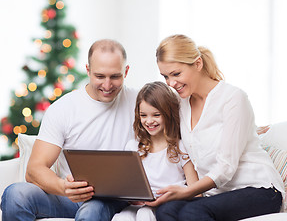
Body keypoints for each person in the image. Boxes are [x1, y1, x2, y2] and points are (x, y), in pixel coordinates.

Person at [145, 34, 285, 221]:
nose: (170, 83)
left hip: (261, 190)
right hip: (217, 195)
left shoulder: (233, 98)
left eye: (176, 74)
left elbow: (226, 167)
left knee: (192, 212)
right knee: (166, 210)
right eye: (165, 76)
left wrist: (186, 192)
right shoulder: (181, 104)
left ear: (198, 64)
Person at [0, 39, 138, 221]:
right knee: (15, 194)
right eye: (99, 76)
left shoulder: (140, 103)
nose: (107, 85)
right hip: (69, 198)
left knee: (91, 212)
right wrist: (63, 187)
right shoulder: (64, 108)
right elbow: (34, 169)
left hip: (115, 199)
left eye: (115, 76)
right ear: (88, 70)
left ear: (126, 71)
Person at [113, 81, 199, 221]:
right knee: (121, 218)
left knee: (145, 215)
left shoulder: (180, 147)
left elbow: (196, 192)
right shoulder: (133, 147)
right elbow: (127, 186)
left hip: (167, 205)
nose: (149, 121)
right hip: (139, 205)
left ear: (168, 113)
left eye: (156, 115)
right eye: (143, 115)